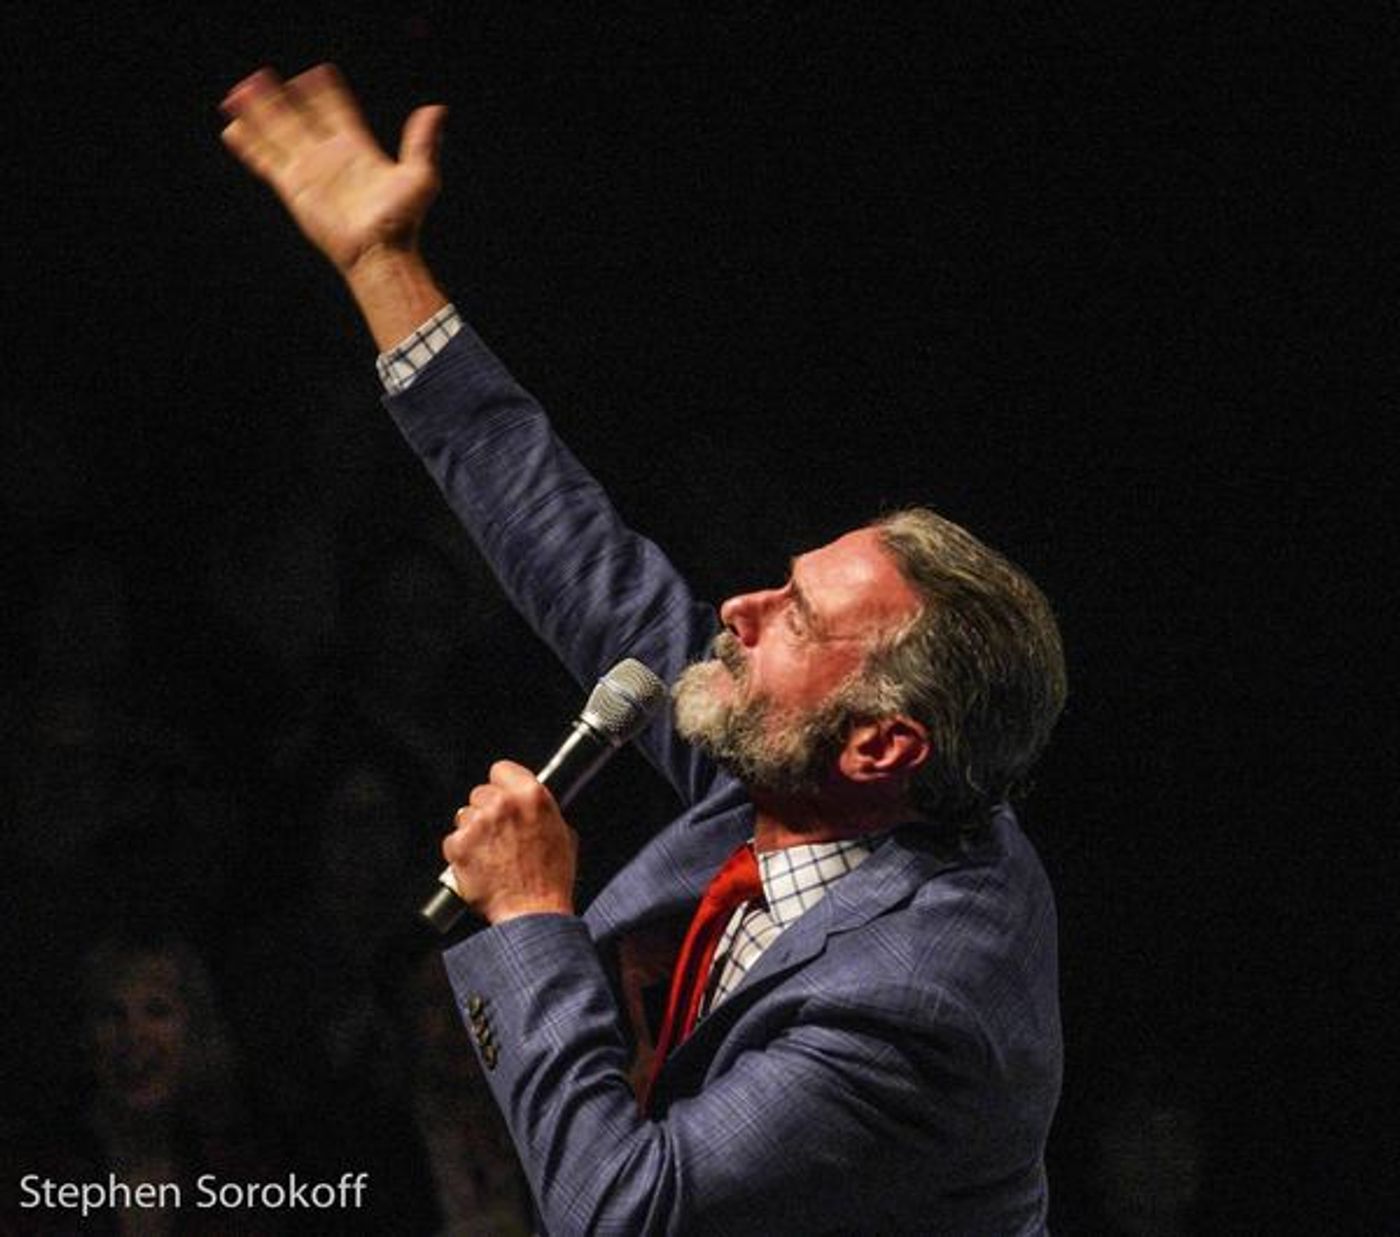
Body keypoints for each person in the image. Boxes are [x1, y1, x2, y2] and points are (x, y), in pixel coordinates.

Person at [220, 64, 1068, 1234]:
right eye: (781, 581)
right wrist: (382, 265)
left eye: (797, 618)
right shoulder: (821, 774)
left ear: (879, 743)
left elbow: (626, 1212)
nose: (739, 607)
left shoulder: (918, 1000)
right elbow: (577, 554)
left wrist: (528, 916)